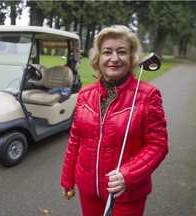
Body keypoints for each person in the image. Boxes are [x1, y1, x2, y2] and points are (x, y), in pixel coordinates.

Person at [60, 25, 168, 216]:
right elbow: (76, 139)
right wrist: (67, 180)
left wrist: (129, 174)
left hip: (126, 194)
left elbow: (158, 145)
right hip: (89, 191)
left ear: (132, 57)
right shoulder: (85, 94)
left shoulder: (148, 95)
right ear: (98, 58)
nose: (114, 58)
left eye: (122, 52)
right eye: (107, 52)